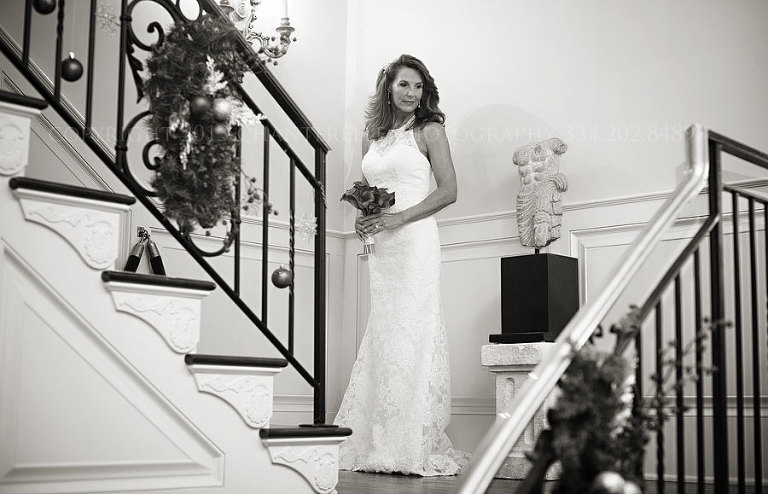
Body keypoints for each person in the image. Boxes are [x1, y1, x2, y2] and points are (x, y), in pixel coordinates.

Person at [334, 54, 469, 476]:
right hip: (383, 248)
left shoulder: (430, 130)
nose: (411, 94)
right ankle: (380, 437)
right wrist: (366, 217)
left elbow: (448, 191)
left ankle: (412, 440)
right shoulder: (371, 136)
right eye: (403, 85)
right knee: (386, 332)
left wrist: (397, 219)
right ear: (388, 88)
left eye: (418, 87)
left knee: (415, 330)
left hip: (414, 242)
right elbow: (371, 188)